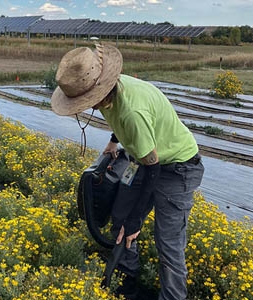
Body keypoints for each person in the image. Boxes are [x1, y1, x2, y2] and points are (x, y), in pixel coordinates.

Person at [50, 44, 204, 300]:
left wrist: (137, 220)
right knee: (120, 220)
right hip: (143, 160)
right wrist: (114, 140)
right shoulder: (114, 90)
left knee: (168, 244)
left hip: (177, 168)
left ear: (98, 91)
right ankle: (127, 285)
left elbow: (153, 169)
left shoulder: (132, 112)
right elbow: (125, 126)